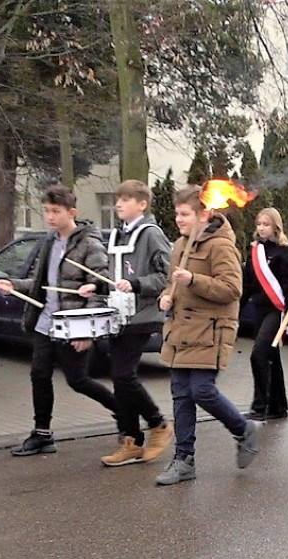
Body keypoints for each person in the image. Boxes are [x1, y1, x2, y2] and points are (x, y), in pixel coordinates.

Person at [0, 185, 119, 457]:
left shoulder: (89, 243)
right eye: (47, 211)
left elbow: (100, 288)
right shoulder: (50, 242)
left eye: (56, 211)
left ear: (71, 212)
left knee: (78, 380)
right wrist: (13, 284)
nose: (50, 217)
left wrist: (86, 332)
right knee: (39, 375)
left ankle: (124, 412)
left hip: (72, 324)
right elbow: (43, 284)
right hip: (45, 322)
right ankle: (42, 434)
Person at [155, 185, 262, 485]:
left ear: (205, 214)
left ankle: (243, 429)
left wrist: (193, 279)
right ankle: (183, 460)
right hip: (180, 331)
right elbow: (172, 285)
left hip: (210, 330)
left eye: (185, 214)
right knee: (180, 395)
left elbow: (232, 289)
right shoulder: (180, 245)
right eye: (177, 213)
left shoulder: (221, 245)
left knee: (201, 390)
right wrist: (165, 297)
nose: (179, 219)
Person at [95, 180, 175, 466]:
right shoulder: (117, 233)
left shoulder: (152, 234)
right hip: (118, 315)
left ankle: (158, 424)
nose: (118, 204)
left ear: (142, 204)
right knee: (119, 379)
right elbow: (112, 273)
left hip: (142, 315)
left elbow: (167, 275)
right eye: (118, 199)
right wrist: (96, 286)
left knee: (124, 376)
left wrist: (136, 283)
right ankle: (131, 440)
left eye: (126, 199)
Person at [240, 208, 288, 420]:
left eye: (266, 224)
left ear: (276, 227)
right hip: (260, 310)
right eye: (259, 224)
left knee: (259, 354)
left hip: (277, 310)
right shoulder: (254, 251)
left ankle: (259, 406)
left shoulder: (286, 252)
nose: (261, 228)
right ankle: (278, 407)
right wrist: (236, 311)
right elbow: (247, 283)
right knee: (272, 357)